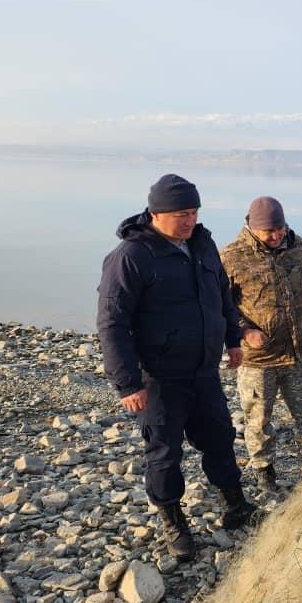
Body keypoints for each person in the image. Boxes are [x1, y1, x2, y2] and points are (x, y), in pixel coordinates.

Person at [97, 174, 256, 561]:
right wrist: (127, 383)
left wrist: (233, 339)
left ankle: (235, 504)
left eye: (194, 212)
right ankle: (172, 520)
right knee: (164, 452)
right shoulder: (131, 257)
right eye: (181, 214)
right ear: (155, 214)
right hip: (158, 377)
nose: (189, 220)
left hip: (203, 368)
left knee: (219, 436)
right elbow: (112, 323)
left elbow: (221, 293)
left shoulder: (202, 244)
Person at [220, 195, 302, 493]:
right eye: (269, 231)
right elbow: (221, 306)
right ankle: (264, 470)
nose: (276, 235)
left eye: (279, 228)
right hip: (258, 360)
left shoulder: (300, 247)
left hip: (296, 353)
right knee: (258, 418)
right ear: (252, 227)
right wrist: (243, 333)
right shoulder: (231, 257)